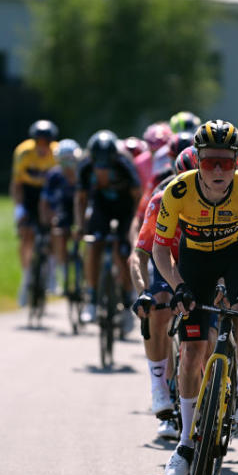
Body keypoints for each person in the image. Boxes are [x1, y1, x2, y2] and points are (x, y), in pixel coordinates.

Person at [152, 120, 238, 475]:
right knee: (193, 350)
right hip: (194, 259)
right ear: (196, 160)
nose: (217, 170)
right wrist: (178, 284)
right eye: (209, 161)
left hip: (236, 254)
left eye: (225, 162)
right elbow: (160, 247)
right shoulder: (177, 192)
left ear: (237, 163)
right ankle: (184, 444)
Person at [129, 150, 198, 441]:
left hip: (203, 261)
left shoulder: (227, 196)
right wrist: (142, 291)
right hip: (166, 258)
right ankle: (160, 388)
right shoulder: (161, 197)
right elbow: (140, 253)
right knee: (158, 310)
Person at [76, 130, 141, 327]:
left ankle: (129, 299)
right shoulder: (86, 167)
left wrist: (135, 227)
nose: (102, 172)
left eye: (107, 166)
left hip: (125, 209)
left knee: (124, 254)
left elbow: (138, 197)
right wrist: (80, 226)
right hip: (101, 208)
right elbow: (80, 199)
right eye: (99, 167)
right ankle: (93, 299)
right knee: (93, 246)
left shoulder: (125, 165)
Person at [10, 119, 59, 306]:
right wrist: (19, 208)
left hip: (50, 194)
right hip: (29, 194)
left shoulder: (57, 153)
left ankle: (53, 272)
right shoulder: (23, 152)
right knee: (26, 235)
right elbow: (16, 184)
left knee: (55, 229)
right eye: (39, 142)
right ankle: (26, 277)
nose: (42, 146)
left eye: (46, 142)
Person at [39, 139, 82, 294]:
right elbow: (45, 202)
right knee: (58, 232)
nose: (68, 166)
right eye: (64, 161)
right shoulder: (54, 175)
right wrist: (47, 221)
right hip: (62, 210)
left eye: (71, 161)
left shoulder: (82, 174)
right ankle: (61, 271)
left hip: (79, 209)